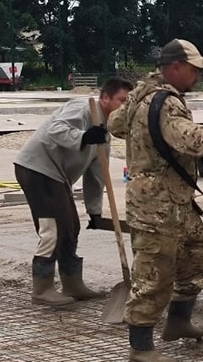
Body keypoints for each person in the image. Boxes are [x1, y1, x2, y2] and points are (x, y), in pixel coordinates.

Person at [108, 39, 203, 362]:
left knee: (198, 255)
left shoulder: (140, 94)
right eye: (193, 70)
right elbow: (193, 141)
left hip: (174, 202)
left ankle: (178, 321)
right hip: (156, 206)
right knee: (154, 274)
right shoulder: (167, 102)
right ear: (174, 67)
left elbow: (116, 124)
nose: (198, 77)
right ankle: (141, 348)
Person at [14, 76, 133, 307]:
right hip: (37, 168)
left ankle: (72, 282)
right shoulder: (82, 108)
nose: (125, 107)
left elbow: (97, 175)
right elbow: (56, 129)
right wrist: (83, 136)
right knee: (53, 228)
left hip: (57, 176)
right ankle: (42, 288)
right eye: (122, 100)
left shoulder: (104, 132)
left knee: (71, 226)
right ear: (105, 97)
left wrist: (94, 211)